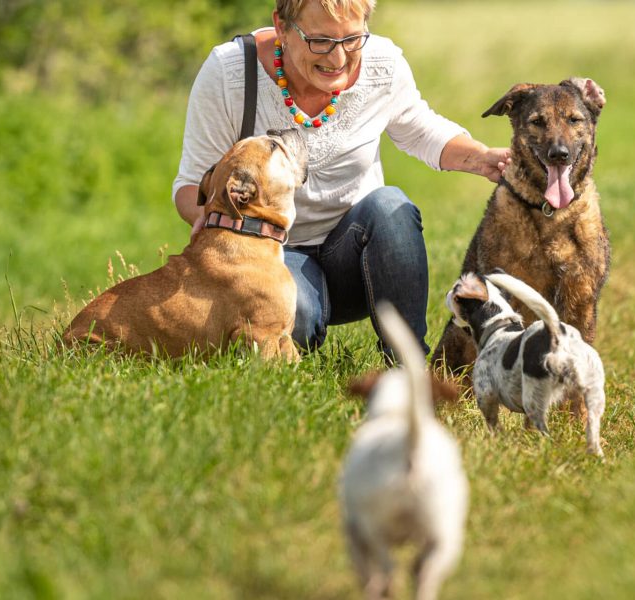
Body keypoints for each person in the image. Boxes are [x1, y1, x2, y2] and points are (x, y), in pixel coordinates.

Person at [171, 0, 508, 357]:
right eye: (320, 41)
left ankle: (409, 364)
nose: (337, 59)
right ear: (282, 27)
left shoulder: (382, 63)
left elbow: (422, 130)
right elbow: (192, 185)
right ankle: (299, 345)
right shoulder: (229, 72)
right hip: (272, 255)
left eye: (352, 39)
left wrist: (482, 158)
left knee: (390, 206)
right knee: (291, 320)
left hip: (359, 258)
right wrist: (211, 217)